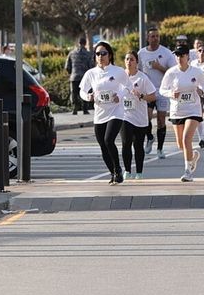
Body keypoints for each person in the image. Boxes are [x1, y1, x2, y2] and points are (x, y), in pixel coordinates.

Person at [159, 44, 204, 182]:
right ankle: (192, 156)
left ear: (188, 56)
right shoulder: (171, 72)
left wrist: (202, 91)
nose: (179, 58)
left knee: (186, 139)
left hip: (193, 109)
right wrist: (171, 93)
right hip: (177, 111)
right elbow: (162, 90)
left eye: (182, 55)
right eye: (177, 55)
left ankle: (188, 172)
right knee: (180, 144)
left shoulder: (196, 71)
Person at [79, 42, 129, 184]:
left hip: (116, 111)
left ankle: (118, 169)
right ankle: (112, 172)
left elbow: (128, 87)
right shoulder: (91, 73)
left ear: (110, 55)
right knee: (102, 144)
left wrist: (120, 95)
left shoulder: (118, 71)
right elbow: (82, 90)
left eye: (104, 53)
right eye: (98, 54)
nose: (101, 56)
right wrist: (87, 96)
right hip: (100, 113)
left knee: (109, 140)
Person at [118, 51, 158, 180]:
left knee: (138, 145)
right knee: (125, 142)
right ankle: (128, 171)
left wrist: (141, 96)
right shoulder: (120, 76)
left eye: (132, 59)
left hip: (140, 117)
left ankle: (139, 172)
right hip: (124, 115)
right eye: (127, 59)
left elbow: (153, 96)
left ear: (137, 62)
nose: (129, 62)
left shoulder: (142, 78)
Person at [137, 27, 177, 158]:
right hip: (148, 91)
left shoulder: (166, 53)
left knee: (161, 120)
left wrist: (159, 67)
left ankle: (160, 149)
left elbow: (173, 73)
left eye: (157, 36)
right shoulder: (141, 53)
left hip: (162, 90)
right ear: (148, 38)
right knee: (146, 117)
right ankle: (149, 137)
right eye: (153, 36)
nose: (155, 38)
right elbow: (138, 71)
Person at [66, 36, 95, 115]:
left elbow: (67, 67)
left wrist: (71, 73)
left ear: (78, 43)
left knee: (74, 93)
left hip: (74, 77)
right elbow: (91, 66)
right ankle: (85, 109)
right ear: (85, 44)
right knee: (84, 92)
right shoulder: (88, 54)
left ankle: (75, 108)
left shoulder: (71, 53)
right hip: (84, 77)